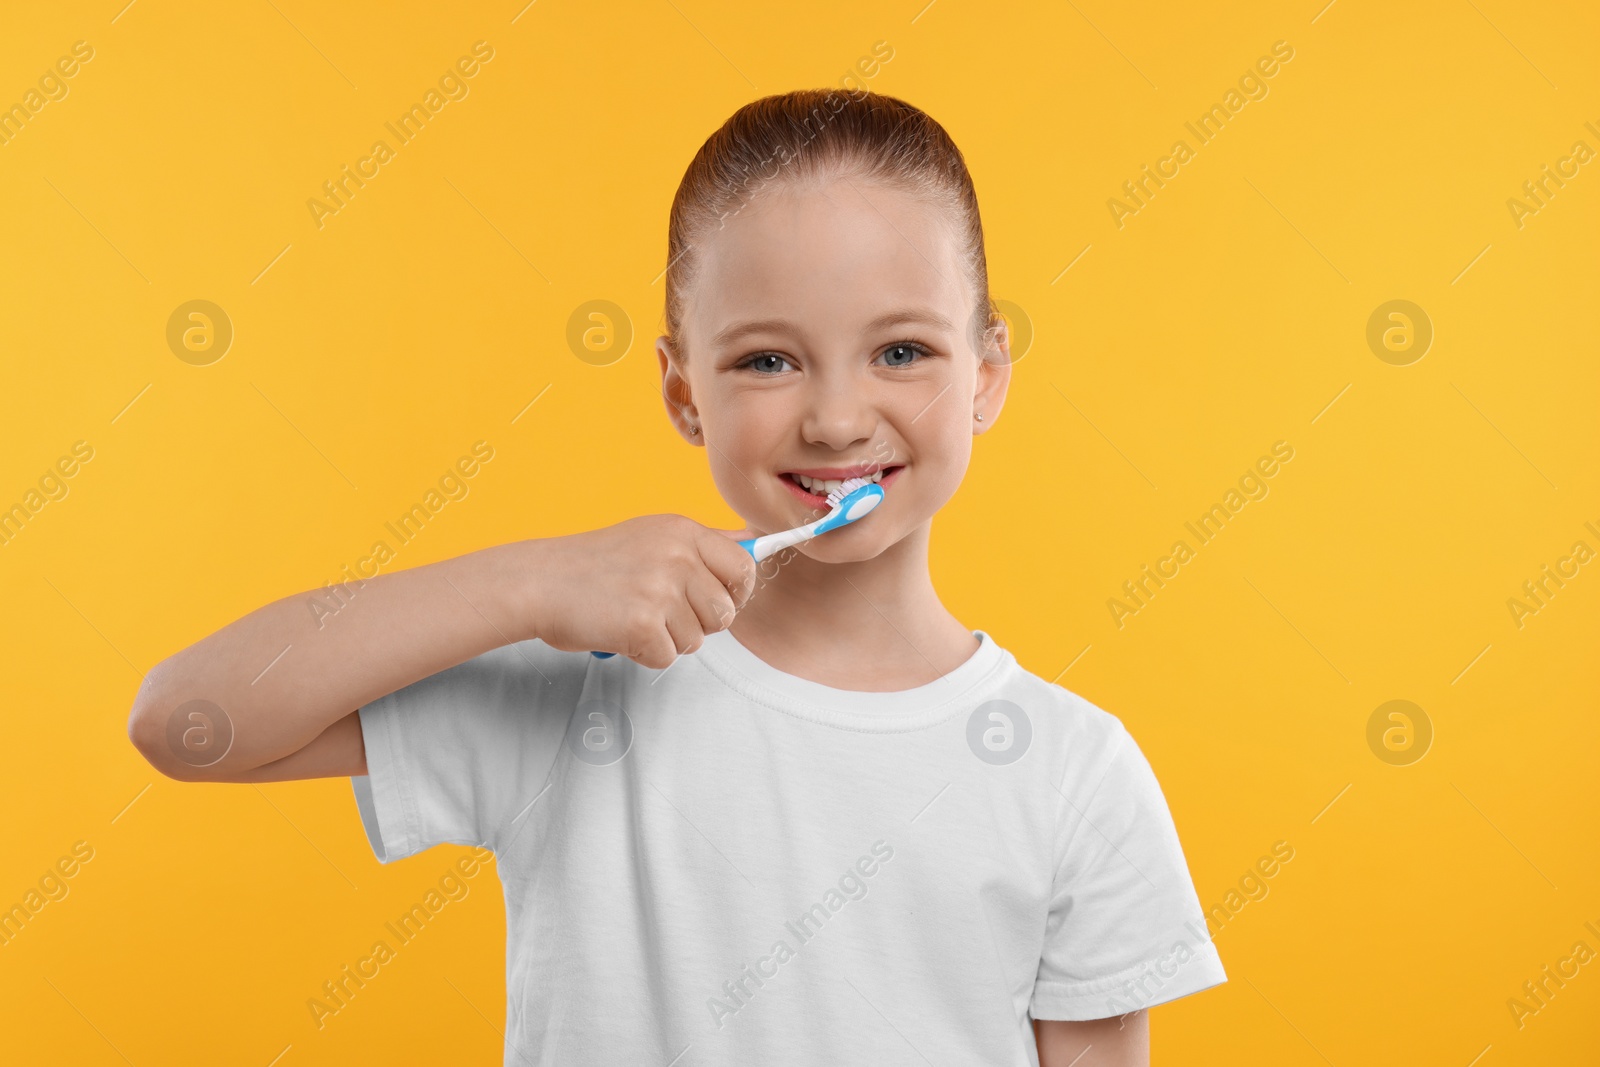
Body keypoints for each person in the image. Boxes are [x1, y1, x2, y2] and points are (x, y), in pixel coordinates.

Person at [128, 88, 1225, 1066]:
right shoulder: (578, 684)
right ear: (681, 389)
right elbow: (184, 721)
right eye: (765, 359)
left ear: (985, 376)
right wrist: (531, 580)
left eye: (901, 351)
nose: (838, 418)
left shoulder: (1074, 769)